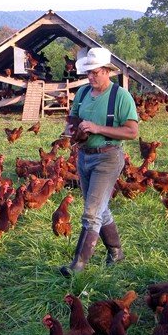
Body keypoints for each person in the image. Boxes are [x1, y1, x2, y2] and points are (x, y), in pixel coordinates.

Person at [60, 47, 139, 277]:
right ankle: (116, 252)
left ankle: (78, 265)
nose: (91, 77)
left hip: (108, 156)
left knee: (91, 211)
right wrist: (73, 132)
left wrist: (97, 128)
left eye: (95, 72)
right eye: (88, 73)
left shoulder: (120, 96)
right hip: (84, 156)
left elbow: (132, 132)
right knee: (99, 207)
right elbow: (71, 122)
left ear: (107, 71)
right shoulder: (83, 93)